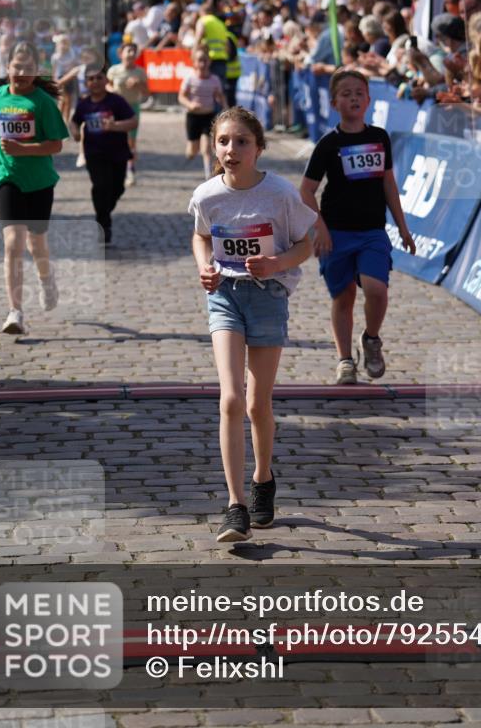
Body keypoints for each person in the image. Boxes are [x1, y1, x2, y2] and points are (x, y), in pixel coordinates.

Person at [188, 106, 316, 542]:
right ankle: (234, 505)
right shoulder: (207, 195)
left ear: (259, 148)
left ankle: (264, 480)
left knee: (258, 403)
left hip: (268, 298)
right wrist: (205, 266)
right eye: (223, 141)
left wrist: (277, 262)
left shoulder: (280, 194)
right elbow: (201, 234)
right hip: (224, 296)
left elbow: (307, 243)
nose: (231, 149)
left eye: (241, 141)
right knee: (230, 398)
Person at [300, 69, 415, 385]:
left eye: (359, 93)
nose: (353, 98)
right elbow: (306, 190)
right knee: (344, 297)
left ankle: (371, 339)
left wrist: (403, 228)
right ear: (335, 102)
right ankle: (345, 360)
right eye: (346, 94)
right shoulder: (328, 144)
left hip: (372, 231)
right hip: (336, 233)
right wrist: (319, 228)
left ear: (368, 98)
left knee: (376, 290)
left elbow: (389, 183)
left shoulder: (379, 138)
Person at [0, 40, 68, 335]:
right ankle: (16, 312)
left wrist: (24, 150)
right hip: (6, 176)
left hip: (39, 181)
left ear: (37, 71)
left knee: (36, 244)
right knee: (12, 243)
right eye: (16, 67)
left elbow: (57, 144)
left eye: (28, 68)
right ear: (6, 67)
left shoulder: (43, 103)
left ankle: (46, 279)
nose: (21, 73)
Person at [70, 63, 138, 246]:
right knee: (101, 186)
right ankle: (103, 225)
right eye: (91, 79)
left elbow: (133, 122)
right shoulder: (84, 104)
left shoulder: (116, 101)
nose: (95, 82)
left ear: (106, 80)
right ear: (86, 83)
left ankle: (103, 214)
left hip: (118, 153)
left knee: (117, 188)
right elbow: (74, 122)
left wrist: (115, 126)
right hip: (94, 153)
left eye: (99, 77)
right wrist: (75, 132)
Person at [178, 47, 227, 178]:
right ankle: (190, 154)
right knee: (192, 151)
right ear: (194, 63)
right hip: (193, 117)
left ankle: (208, 176)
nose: (202, 64)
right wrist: (190, 104)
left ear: (209, 62)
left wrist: (226, 110)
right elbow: (181, 96)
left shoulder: (215, 79)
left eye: (205, 60)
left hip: (208, 116)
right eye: (199, 60)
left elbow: (220, 96)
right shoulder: (189, 78)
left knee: (206, 147)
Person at [106, 41, 149, 186]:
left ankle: (130, 170)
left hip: (132, 108)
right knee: (115, 138)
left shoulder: (140, 72)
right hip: (116, 108)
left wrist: (139, 84)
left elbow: (147, 93)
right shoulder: (113, 70)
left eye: (133, 51)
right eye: (128, 50)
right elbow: (107, 85)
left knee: (131, 141)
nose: (131, 53)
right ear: (121, 54)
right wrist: (111, 91)